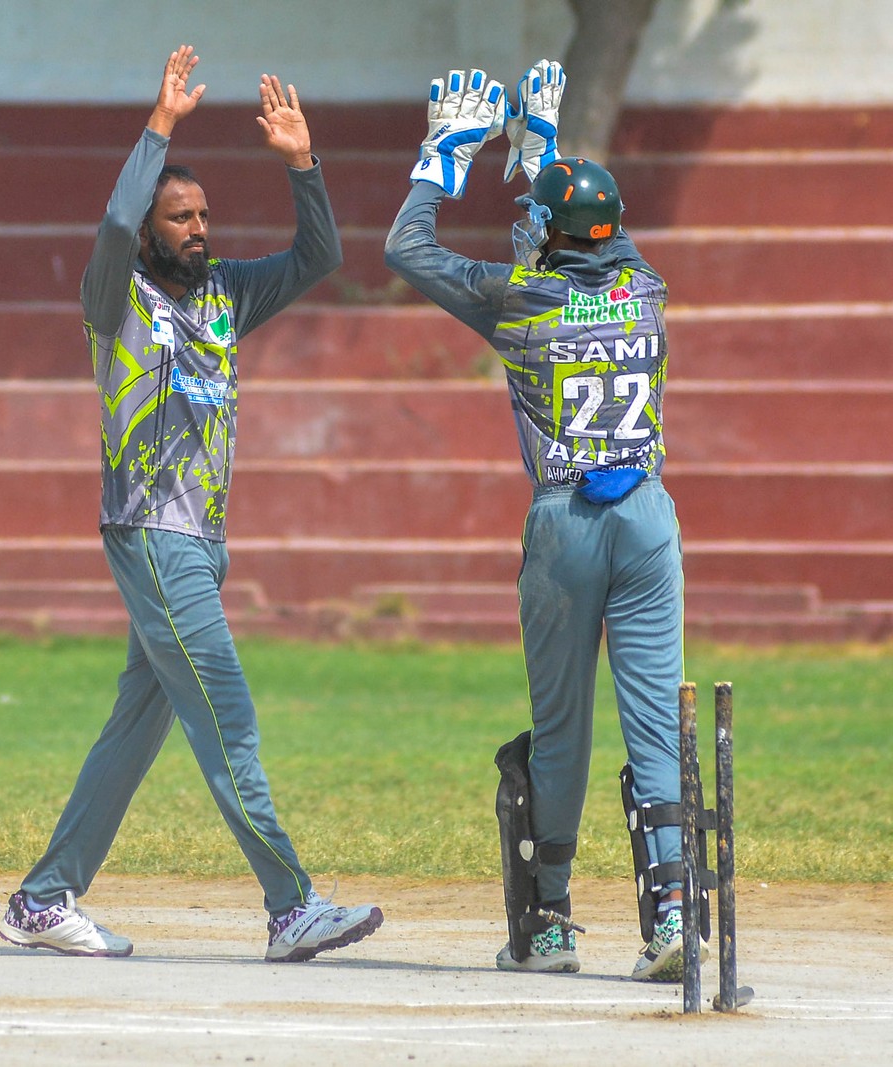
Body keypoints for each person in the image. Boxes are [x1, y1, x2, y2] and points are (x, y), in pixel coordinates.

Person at [0, 46, 383, 963]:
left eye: (205, 214)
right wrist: (161, 126)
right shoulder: (114, 298)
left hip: (201, 541)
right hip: (152, 532)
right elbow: (110, 223)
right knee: (227, 716)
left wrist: (303, 164)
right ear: (149, 231)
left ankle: (43, 899)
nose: (200, 228)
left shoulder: (226, 295)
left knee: (137, 727)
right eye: (181, 216)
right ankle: (290, 905)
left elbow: (321, 256)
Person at [384, 62, 694, 981]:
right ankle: (672, 918)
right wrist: (545, 151)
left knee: (561, 734)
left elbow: (408, 249)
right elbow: (574, 239)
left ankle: (550, 924)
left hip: (565, 526)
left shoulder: (520, 299)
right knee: (655, 726)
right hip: (647, 517)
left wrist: (448, 156)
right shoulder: (647, 287)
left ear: (550, 235)